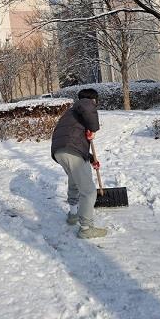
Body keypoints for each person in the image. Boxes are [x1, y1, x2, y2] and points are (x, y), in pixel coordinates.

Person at [51, 88, 107, 239]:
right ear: (93, 100)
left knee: (74, 181)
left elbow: (73, 139)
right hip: (71, 150)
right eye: (95, 102)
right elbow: (89, 108)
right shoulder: (85, 104)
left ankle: (73, 214)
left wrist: (90, 158)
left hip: (60, 151)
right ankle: (86, 228)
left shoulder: (72, 113)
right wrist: (94, 129)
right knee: (88, 191)